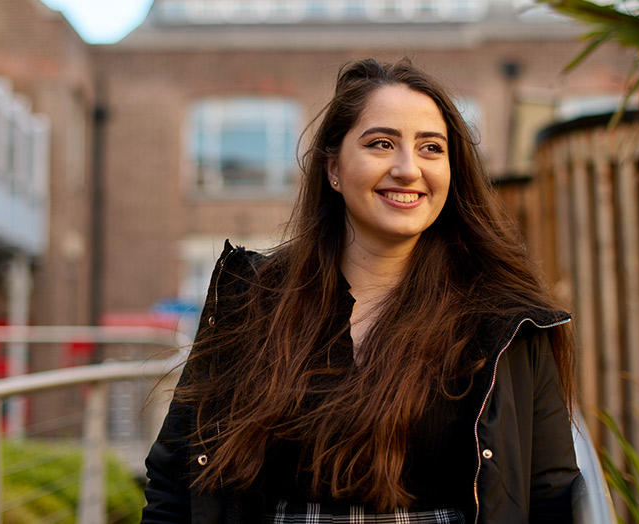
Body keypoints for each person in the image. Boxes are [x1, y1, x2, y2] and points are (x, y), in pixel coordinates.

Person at [141, 58, 580, 524]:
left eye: (431, 147)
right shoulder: (250, 299)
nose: (408, 169)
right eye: (381, 143)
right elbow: (175, 479)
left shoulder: (506, 323)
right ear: (333, 168)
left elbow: (549, 496)